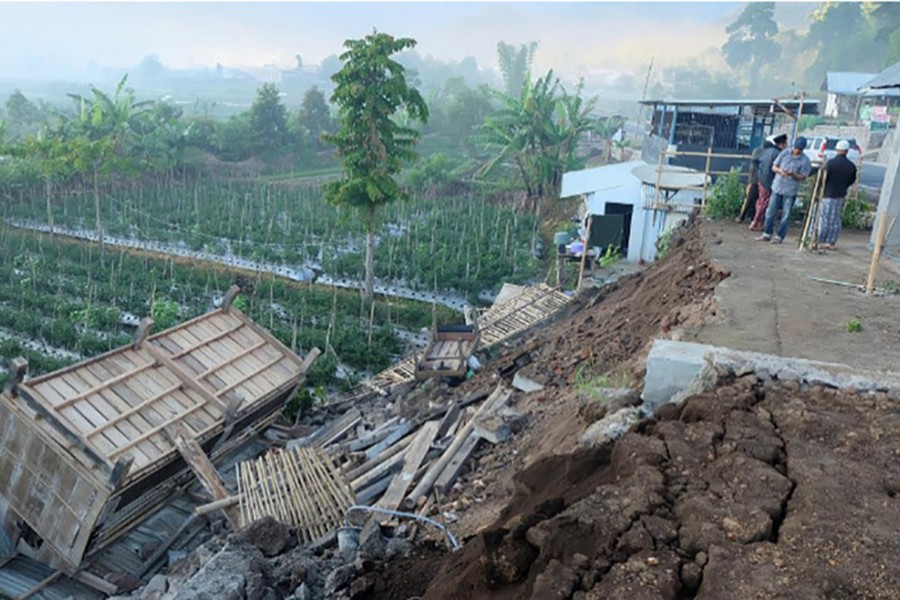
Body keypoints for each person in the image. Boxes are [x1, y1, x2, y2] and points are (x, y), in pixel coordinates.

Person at [757, 136, 812, 243]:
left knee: (785, 215)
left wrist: (794, 175)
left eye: (799, 149)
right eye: (796, 148)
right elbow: (774, 166)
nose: (796, 151)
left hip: (790, 190)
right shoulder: (784, 153)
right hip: (777, 186)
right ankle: (767, 234)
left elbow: (803, 177)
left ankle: (779, 237)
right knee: (770, 212)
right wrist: (780, 171)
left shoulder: (805, 160)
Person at [817, 139, 858, 250]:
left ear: (836, 150)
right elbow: (851, 180)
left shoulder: (830, 164)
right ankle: (831, 242)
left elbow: (822, 179)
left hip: (828, 194)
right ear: (847, 151)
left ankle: (820, 240)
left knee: (824, 217)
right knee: (835, 219)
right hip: (840, 194)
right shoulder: (851, 166)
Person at [749, 133, 788, 231]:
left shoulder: (767, 151)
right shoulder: (778, 154)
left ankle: (759, 222)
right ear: (781, 144)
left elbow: (757, 162)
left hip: (761, 179)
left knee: (761, 201)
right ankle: (755, 221)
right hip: (768, 180)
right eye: (785, 144)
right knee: (764, 202)